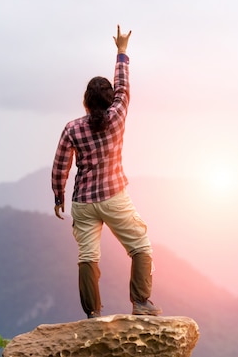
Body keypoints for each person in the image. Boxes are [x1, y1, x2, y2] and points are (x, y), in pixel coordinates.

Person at [51, 25, 162, 319]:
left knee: (88, 255)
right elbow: (123, 87)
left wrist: (58, 195)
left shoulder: (72, 128)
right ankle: (140, 302)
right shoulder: (117, 117)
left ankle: (93, 314)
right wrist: (121, 52)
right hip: (114, 195)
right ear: (109, 100)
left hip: (83, 202)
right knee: (139, 244)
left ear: (85, 102)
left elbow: (61, 164)